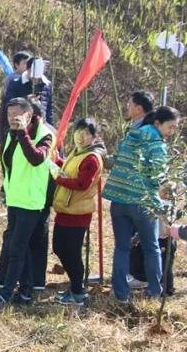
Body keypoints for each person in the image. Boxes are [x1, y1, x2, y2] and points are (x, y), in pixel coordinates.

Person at [0, 98, 55, 313]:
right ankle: (25, 291)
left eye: (17, 115)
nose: (12, 119)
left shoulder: (44, 135)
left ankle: (5, 294)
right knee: (19, 244)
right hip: (15, 198)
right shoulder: (10, 134)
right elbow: (8, 162)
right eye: (9, 115)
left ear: (28, 114)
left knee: (16, 247)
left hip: (31, 201)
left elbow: (36, 159)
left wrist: (23, 133)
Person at [105, 106, 180, 303]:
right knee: (151, 248)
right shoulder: (156, 144)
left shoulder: (131, 136)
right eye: (170, 127)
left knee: (121, 248)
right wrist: (163, 202)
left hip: (118, 199)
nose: (171, 132)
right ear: (157, 123)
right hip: (142, 202)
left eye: (175, 128)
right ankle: (155, 292)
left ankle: (121, 293)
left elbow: (117, 161)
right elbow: (157, 178)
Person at [48, 118, 105, 306]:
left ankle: (78, 291)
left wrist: (59, 178)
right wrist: (58, 162)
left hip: (78, 212)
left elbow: (82, 183)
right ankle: (74, 285)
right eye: (78, 131)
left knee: (71, 252)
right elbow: (71, 170)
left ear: (94, 137)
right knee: (59, 247)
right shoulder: (77, 152)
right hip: (65, 208)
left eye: (86, 133)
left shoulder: (92, 158)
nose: (81, 136)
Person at [0, 50, 54, 147]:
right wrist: (25, 100)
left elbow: (49, 110)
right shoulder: (15, 83)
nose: (35, 80)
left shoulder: (46, 85)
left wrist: (50, 126)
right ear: (27, 70)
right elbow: (8, 104)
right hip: (18, 128)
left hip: (41, 129)